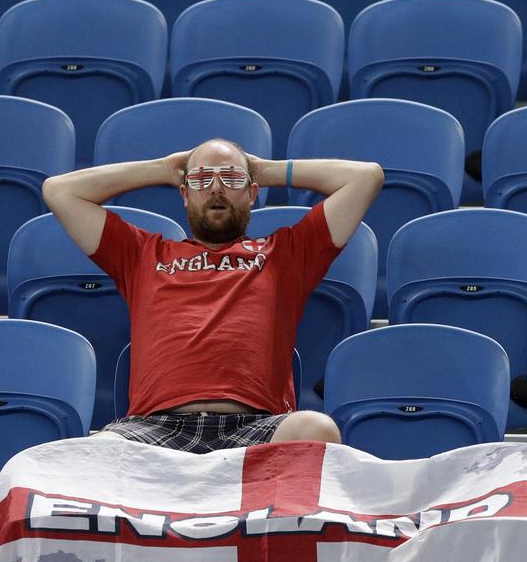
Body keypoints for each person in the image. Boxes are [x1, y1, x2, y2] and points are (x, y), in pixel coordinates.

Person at [42, 138, 383, 452]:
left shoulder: (286, 254)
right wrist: (163, 168)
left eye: (231, 179)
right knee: (93, 451)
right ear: (185, 194)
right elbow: (60, 191)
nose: (216, 188)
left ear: (252, 193)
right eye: (202, 180)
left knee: (316, 428)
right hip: (156, 430)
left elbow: (366, 178)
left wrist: (263, 169)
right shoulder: (142, 254)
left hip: (258, 429)